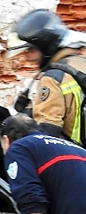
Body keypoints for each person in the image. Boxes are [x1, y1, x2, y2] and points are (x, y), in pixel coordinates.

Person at [9, 9, 86, 143]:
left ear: (45, 46)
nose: (28, 56)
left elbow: (45, 136)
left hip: (72, 159)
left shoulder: (52, 78)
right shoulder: (79, 64)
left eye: (31, 50)